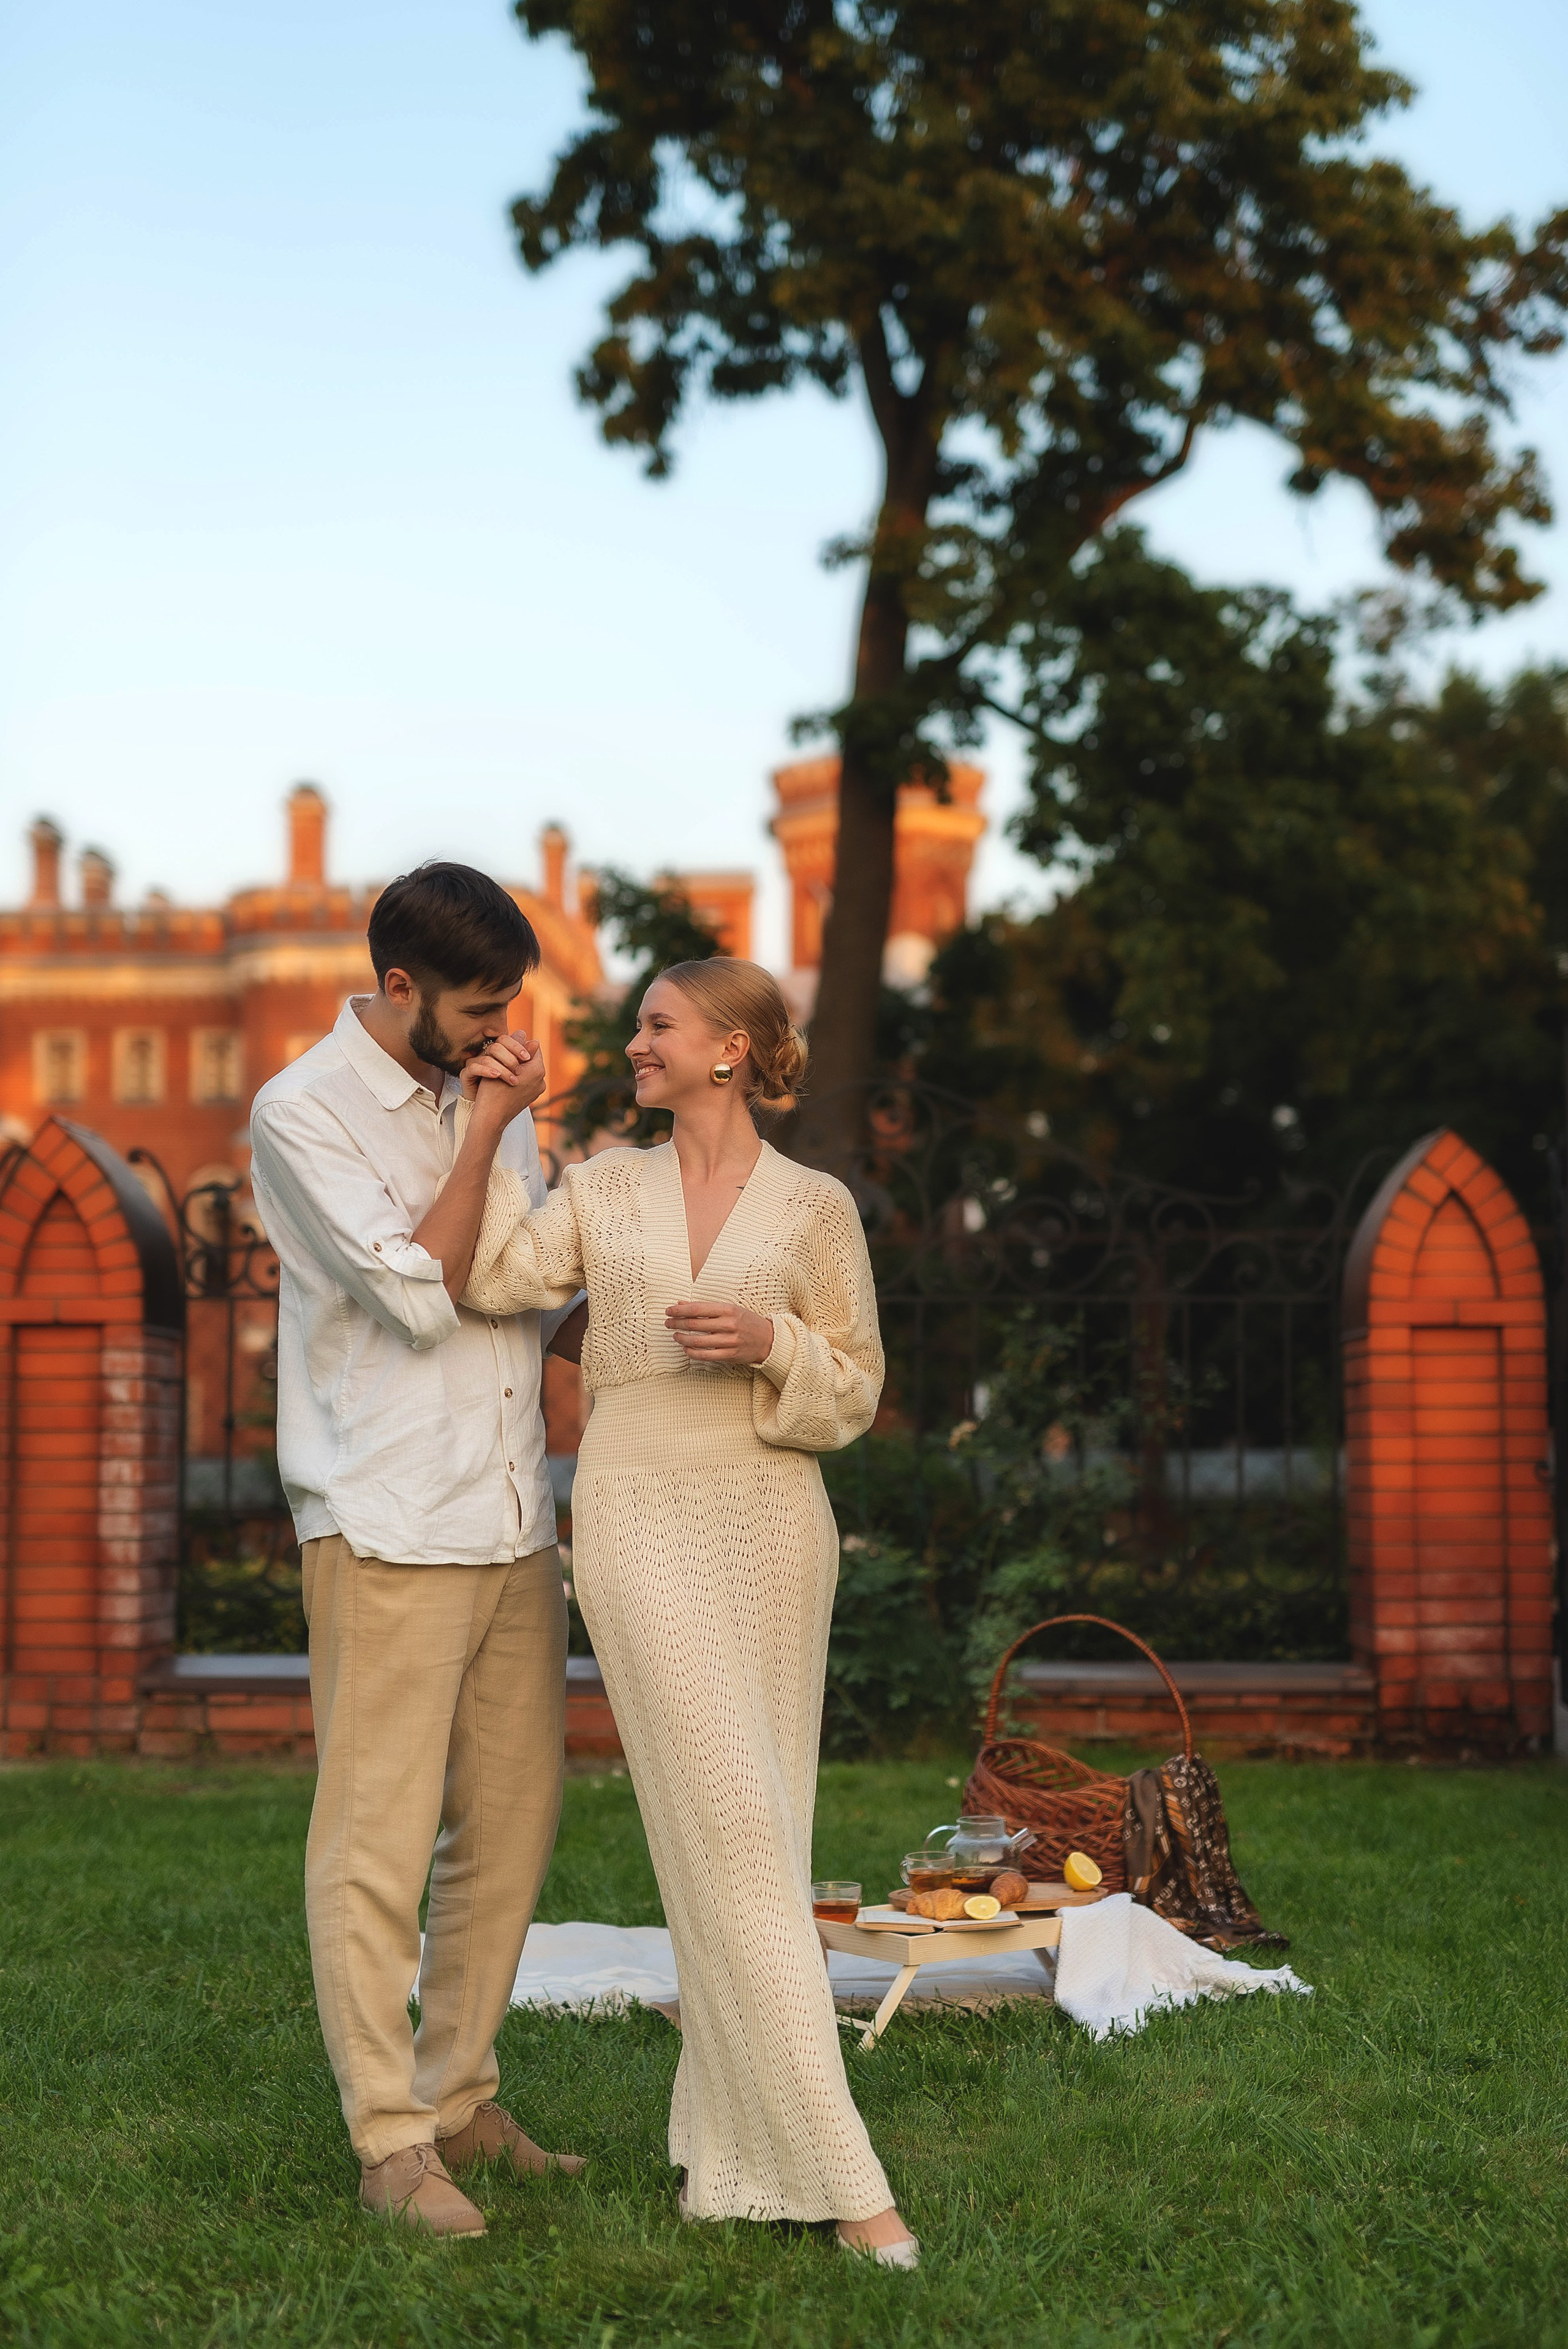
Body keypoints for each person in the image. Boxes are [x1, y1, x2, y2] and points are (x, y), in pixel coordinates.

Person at [453, 957, 919, 2266]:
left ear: (731, 1048)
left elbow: (857, 1382)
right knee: (731, 1821)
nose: (635, 1043)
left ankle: (727, 2149)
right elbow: (492, 1277)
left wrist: (773, 1346)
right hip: (637, 1515)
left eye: (659, 1024)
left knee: (759, 1830)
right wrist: (495, 1125)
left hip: (774, 1523)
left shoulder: (814, 1206)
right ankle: (844, 2176)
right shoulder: (604, 1186)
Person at [247, 862, 589, 2239]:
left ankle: (459, 2098)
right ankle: (389, 2143)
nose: (506, 1032)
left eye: (513, 1003)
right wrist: (489, 1130)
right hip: (385, 1514)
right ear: (400, 988)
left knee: (510, 1825)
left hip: (509, 1513)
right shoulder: (302, 1111)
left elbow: (522, 1288)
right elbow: (423, 1293)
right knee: (376, 1837)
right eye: (481, 1008)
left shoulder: (487, 1098)